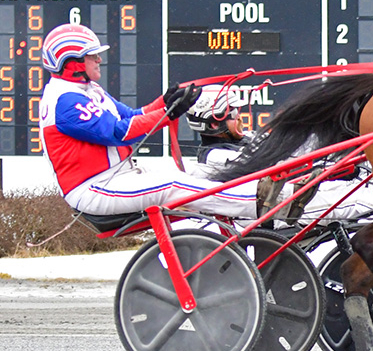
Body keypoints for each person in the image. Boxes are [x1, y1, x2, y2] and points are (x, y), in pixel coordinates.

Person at [38, 23, 264, 218]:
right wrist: (169, 114)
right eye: (92, 55)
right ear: (73, 62)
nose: (99, 59)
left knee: (185, 175)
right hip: (94, 189)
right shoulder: (65, 101)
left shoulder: (87, 89)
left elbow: (131, 116)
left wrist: (164, 103)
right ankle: (261, 202)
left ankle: (257, 198)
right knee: (174, 186)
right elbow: (118, 132)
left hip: (115, 177)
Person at [184, 84, 373, 223]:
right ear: (214, 124)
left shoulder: (245, 139)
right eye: (233, 113)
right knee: (368, 203)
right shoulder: (215, 157)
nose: (240, 116)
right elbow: (271, 168)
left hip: (291, 197)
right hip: (274, 210)